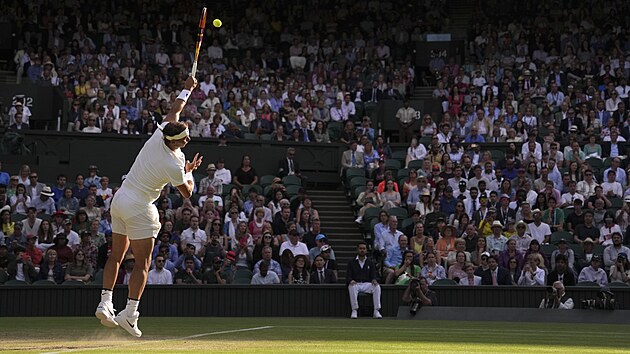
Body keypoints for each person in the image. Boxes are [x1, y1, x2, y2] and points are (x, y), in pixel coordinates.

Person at [95, 75, 203, 337]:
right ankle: (130, 314)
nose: (188, 141)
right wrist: (188, 171)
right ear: (174, 141)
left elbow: (175, 109)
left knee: (117, 256)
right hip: (140, 207)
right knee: (143, 263)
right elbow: (187, 194)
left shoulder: (161, 132)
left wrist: (186, 89)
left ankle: (105, 302)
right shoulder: (174, 164)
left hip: (119, 201)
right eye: (184, 139)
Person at [346, 242, 382, 319]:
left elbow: (373, 275)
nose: (362, 250)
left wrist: (374, 280)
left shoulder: (370, 262)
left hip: (367, 284)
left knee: (377, 286)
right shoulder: (351, 262)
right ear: (357, 250)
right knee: (351, 286)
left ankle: (376, 310)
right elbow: (348, 276)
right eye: (360, 248)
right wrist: (351, 280)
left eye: (364, 249)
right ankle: (354, 310)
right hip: (356, 284)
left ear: (366, 250)